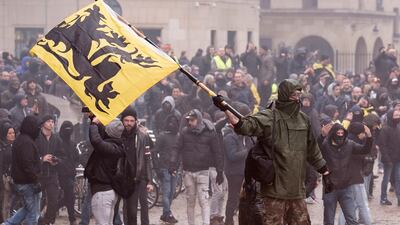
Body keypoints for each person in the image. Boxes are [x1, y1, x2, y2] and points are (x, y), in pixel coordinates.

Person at [213, 79, 329, 225]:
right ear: (285, 95)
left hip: (297, 191)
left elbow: (313, 150)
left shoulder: (304, 120)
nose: (298, 98)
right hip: (275, 191)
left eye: (299, 94)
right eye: (294, 94)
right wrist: (225, 109)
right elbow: (244, 126)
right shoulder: (269, 117)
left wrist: (324, 171)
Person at [170, 109, 224, 225]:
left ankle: (205, 223)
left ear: (198, 120)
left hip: (203, 171)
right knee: (190, 201)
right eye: (189, 120)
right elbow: (176, 148)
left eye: (192, 120)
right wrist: (173, 164)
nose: (190, 123)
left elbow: (217, 152)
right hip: (188, 171)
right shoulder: (184, 132)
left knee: (203, 201)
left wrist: (220, 171)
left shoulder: (210, 132)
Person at [319, 123, 372, 225]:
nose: (340, 135)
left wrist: (369, 136)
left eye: (342, 133)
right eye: (338, 133)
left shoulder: (349, 144)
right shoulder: (326, 144)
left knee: (352, 219)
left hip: (346, 186)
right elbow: (316, 151)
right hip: (329, 186)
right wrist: (321, 136)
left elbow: (365, 149)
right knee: (329, 220)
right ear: (333, 134)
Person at [84, 118, 125, 225]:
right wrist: (94, 118)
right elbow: (101, 137)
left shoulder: (110, 148)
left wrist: (93, 124)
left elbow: (96, 141)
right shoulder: (116, 145)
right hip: (109, 193)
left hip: (102, 193)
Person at [2, 116, 42, 225]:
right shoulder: (26, 142)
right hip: (27, 183)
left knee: (27, 209)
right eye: (37, 127)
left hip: (23, 181)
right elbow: (27, 164)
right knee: (33, 214)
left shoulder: (21, 139)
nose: (39, 129)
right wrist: (35, 180)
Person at [120, 107, 153, 225]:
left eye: (131, 121)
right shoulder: (118, 135)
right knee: (121, 210)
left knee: (132, 211)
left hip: (135, 178)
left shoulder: (142, 136)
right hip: (120, 178)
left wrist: (149, 180)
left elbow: (147, 158)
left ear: (136, 121)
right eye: (126, 120)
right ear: (122, 120)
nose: (129, 123)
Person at [223, 103, 253, 225]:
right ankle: (229, 220)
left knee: (244, 199)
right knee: (233, 198)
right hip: (234, 173)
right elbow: (232, 156)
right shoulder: (230, 137)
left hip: (244, 171)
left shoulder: (245, 136)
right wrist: (247, 152)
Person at [35, 115, 64, 225]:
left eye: (53, 121)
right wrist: (42, 159)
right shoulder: (37, 137)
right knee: (37, 200)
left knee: (53, 200)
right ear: (43, 123)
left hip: (52, 174)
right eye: (49, 121)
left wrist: (56, 160)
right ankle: (35, 220)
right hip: (38, 174)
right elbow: (31, 155)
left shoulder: (56, 138)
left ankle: (48, 221)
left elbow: (62, 156)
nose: (51, 123)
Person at [153, 114, 180, 224]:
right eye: (170, 122)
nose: (172, 124)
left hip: (174, 169)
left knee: (171, 193)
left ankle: (165, 214)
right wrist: (157, 168)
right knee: (166, 192)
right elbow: (154, 152)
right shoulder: (162, 136)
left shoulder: (178, 137)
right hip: (164, 168)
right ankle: (168, 214)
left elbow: (180, 152)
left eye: (174, 122)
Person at [57, 121, 79, 225]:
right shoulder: (58, 142)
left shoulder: (72, 143)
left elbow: (76, 158)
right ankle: (72, 219)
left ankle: (71, 218)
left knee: (69, 197)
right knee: (70, 197)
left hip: (70, 174)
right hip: (59, 174)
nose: (68, 132)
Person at [379, 109, 400, 206]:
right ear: (391, 116)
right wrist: (387, 159)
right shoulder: (385, 129)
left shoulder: (398, 128)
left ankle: (399, 198)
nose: (398, 117)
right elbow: (382, 146)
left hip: (398, 159)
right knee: (386, 179)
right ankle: (383, 198)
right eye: (396, 115)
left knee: (398, 179)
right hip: (388, 160)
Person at [0, 123, 15, 221]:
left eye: (13, 132)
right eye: (9, 133)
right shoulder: (3, 148)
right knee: (5, 202)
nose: (12, 135)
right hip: (5, 179)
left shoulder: (14, 146)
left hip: (14, 178)